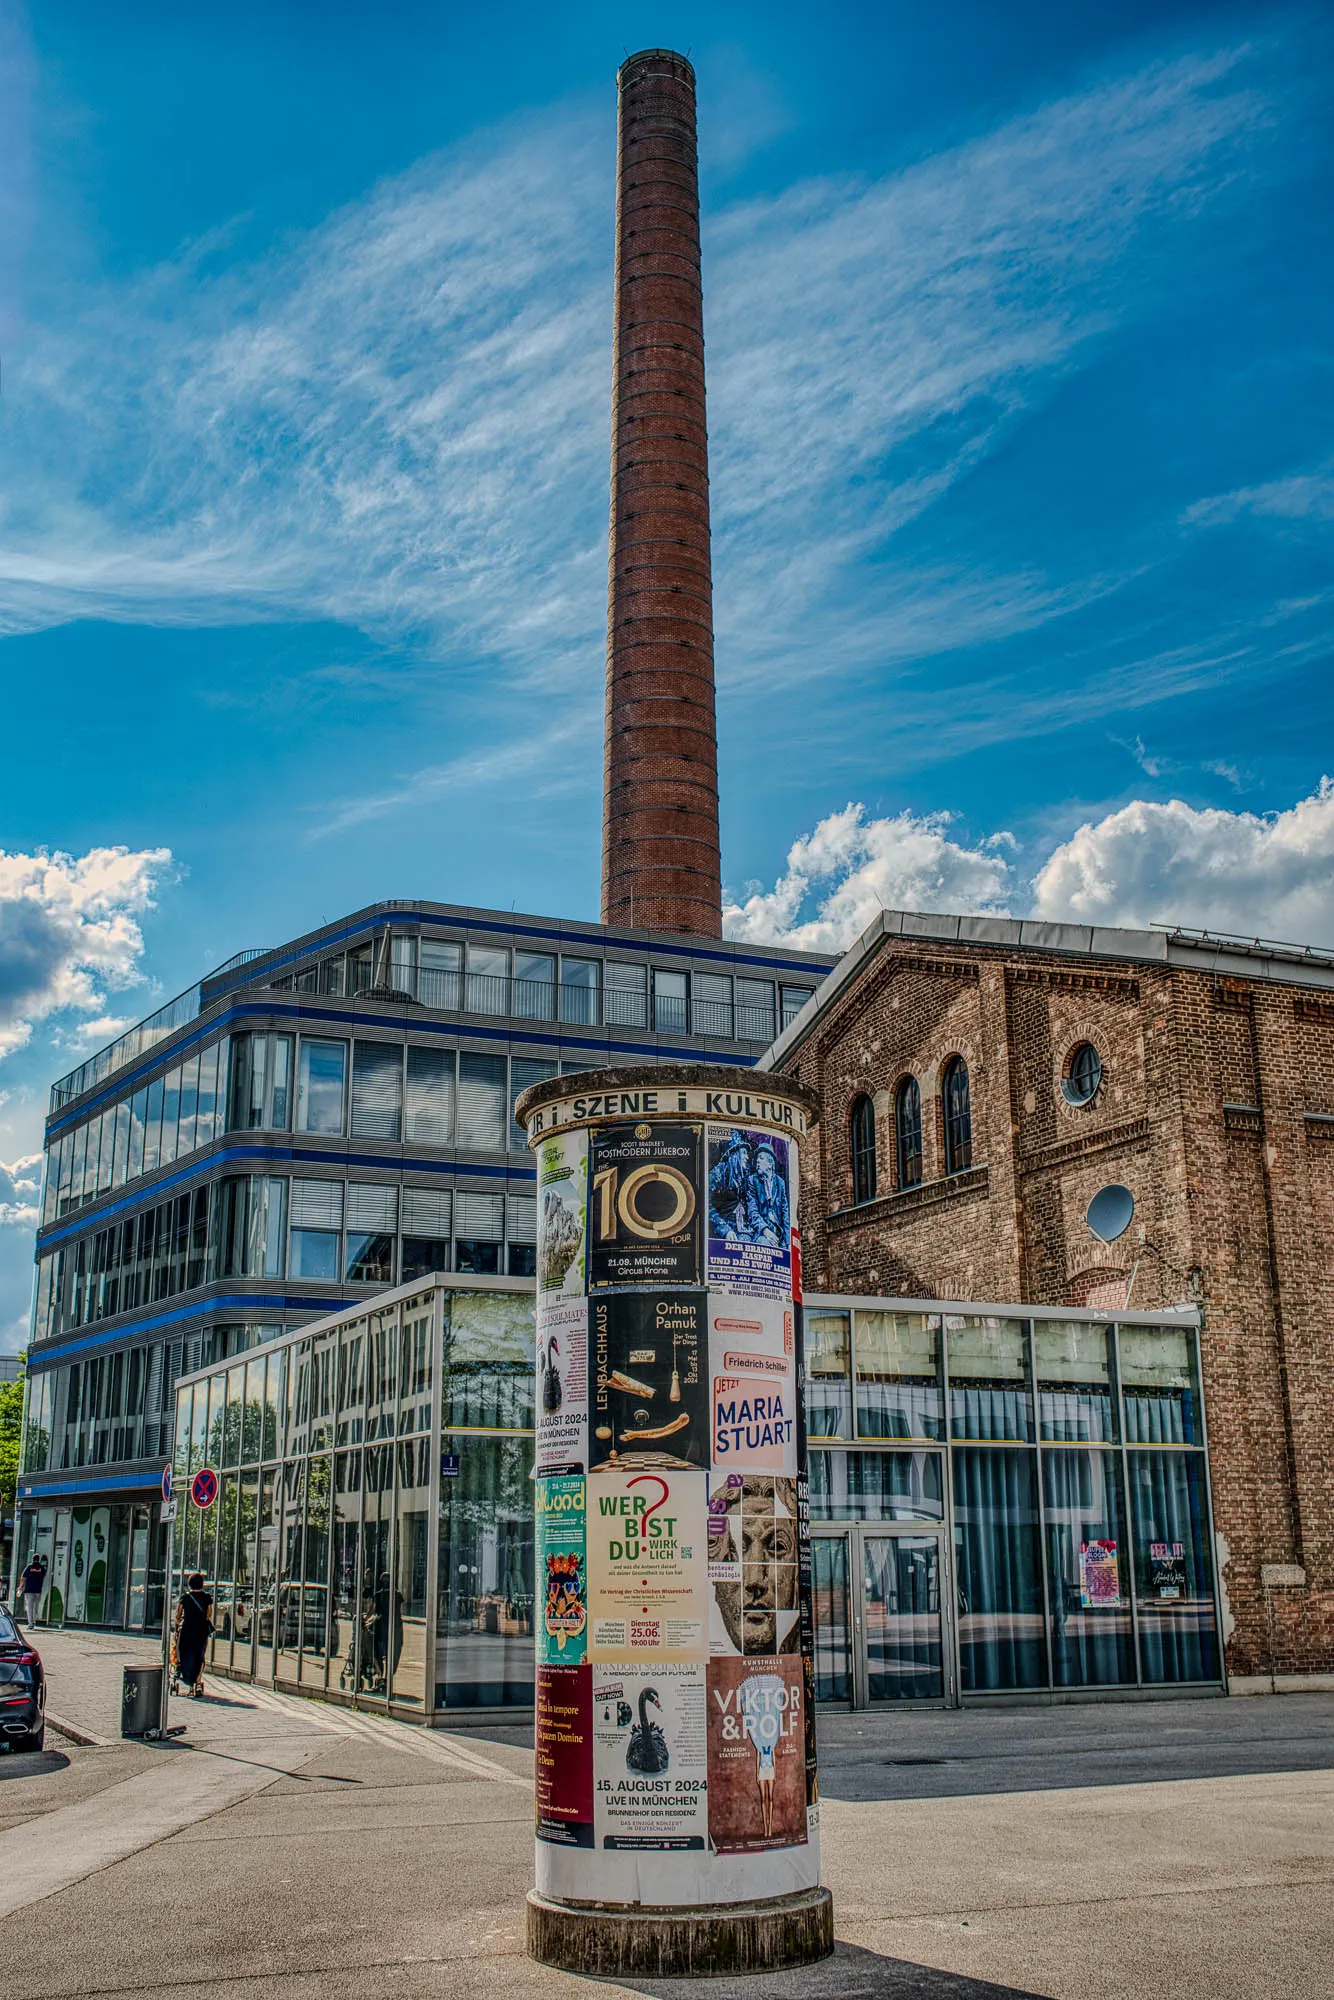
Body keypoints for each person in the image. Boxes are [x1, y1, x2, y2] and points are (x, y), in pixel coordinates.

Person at [174, 1572, 214, 1699]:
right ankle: (198, 1682)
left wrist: (177, 1624)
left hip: (187, 1630)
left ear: (189, 1584)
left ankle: (189, 1683)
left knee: (186, 1654)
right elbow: (209, 1614)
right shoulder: (207, 1597)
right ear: (202, 1584)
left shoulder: (185, 1597)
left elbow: (178, 1615)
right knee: (200, 1655)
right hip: (201, 1631)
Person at [20, 1553, 47, 1627]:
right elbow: (43, 1576)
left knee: (30, 1607)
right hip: (38, 1590)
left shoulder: (29, 1567)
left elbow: (23, 1577)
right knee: (36, 1607)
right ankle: (34, 1621)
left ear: (32, 1559)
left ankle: (31, 1624)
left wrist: (20, 1587)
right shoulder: (41, 1567)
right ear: (39, 1559)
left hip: (29, 1590)